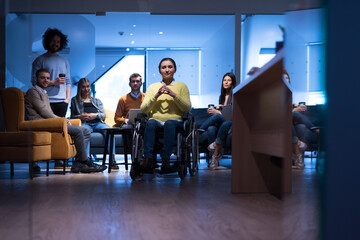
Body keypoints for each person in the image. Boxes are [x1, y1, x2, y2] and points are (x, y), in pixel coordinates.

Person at [25, 68, 106, 173]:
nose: (46, 80)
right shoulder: (33, 92)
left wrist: (61, 119)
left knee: (85, 131)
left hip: (47, 122)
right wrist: (61, 119)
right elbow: (43, 111)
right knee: (79, 130)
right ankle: (84, 161)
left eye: (48, 78)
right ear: (36, 79)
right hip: (39, 123)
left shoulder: (43, 93)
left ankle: (79, 163)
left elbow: (47, 112)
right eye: (42, 78)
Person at [140, 58, 191, 173]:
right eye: (164, 67)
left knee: (169, 123)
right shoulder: (153, 87)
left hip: (175, 121)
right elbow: (144, 109)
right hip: (156, 121)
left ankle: (166, 160)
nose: (167, 70)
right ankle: (148, 159)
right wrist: (156, 95)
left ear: (175, 69)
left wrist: (174, 95)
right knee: (151, 122)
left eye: (170, 67)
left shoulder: (182, 86)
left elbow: (187, 108)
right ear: (159, 70)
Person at [70, 78, 118, 169]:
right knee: (84, 131)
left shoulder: (97, 101)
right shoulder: (74, 100)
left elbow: (103, 115)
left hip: (97, 123)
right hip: (85, 123)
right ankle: (86, 160)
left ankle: (112, 159)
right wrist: (80, 116)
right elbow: (72, 117)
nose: (86, 89)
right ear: (79, 88)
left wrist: (94, 115)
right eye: (83, 87)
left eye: (87, 86)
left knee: (109, 131)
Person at [198, 72, 236, 170]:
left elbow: (232, 115)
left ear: (233, 83)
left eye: (229, 80)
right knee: (211, 129)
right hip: (224, 123)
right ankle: (214, 158)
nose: (226, 82)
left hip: (232, 123)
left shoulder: (235, 95)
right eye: (224, 80)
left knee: (219, 118)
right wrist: (217, 110)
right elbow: (224, 113)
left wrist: (218, 112)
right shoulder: (222, 96)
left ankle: (199, 131)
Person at [31, 28, 71, 118]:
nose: (55, 44)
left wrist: (67, 99)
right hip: (45, 101)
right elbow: (34, 82)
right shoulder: (39, 60)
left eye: (58, 42)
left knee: (60, 129)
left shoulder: (64, 61)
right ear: (48, 41)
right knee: (46, 128)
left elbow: (68, 82)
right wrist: (54, 82)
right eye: (53, 41)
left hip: (62, 102)